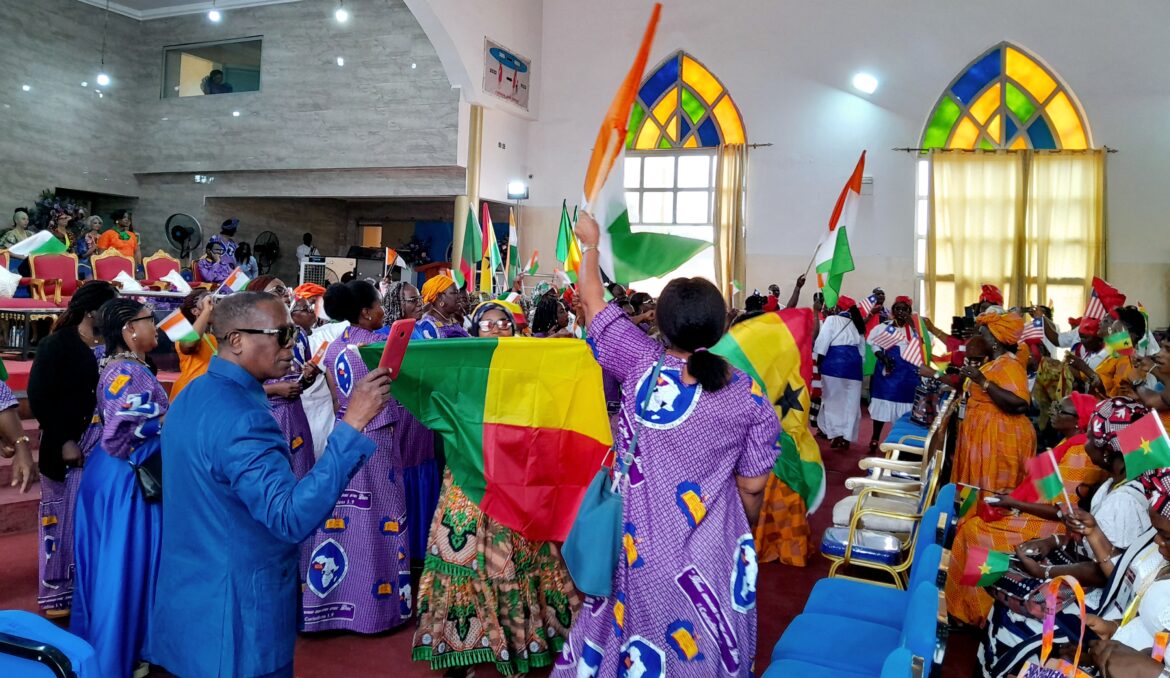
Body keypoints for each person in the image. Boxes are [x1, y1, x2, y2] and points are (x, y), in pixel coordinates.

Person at [551, 212, 780, 677]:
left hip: (639, 548)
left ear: (660, 321)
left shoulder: (638, 364)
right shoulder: (749, 394)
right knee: (707, 649)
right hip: (716, 555)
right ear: (722, 326)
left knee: (628, 640)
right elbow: (753, 487)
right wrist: (743, 524)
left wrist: (591, 245)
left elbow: (593, 304)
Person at [151, 292, 391, 678]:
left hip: (189, 605)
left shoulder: (191, 392)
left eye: (294, 333)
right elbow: (289, 517)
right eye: (280, 335)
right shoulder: (245, 418)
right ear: (236, 340)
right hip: (239, 620)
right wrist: (352, 425)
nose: (292, 346)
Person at [412, 301, 582, 676]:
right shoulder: (459, 371)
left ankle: (520, 642)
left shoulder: (529, 370)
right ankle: (459, 646)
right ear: (474, 332)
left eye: (504, 323)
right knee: (460, 558)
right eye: (487, 324)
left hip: (515, 482)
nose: (496, 329)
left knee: (517, 558)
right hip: (467, 480)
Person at [980, 397, 1154, 677]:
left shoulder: (1124, 502)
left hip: (1099, 601)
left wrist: (1046, 570)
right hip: (1082, 579)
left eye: (1089, 439)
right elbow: (1087, 537)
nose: (1084, 445)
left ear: (1108, 452)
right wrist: (1053, 542)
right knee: (1003, 572)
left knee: (1011, 608)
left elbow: (1105, 572)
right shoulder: (1113, 484)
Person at [306, 280, 412, 634]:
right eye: (380, 305)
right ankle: (378, 612)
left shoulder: (334, 346)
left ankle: (330, 608)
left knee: (345, 521)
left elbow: (338, 398)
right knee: (382, 521)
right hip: (377, 438)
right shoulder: (379, 346)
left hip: (344, 436)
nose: (384, 311)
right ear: (366, 313)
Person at [944, 393, 1104, 626]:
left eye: (1061, 410)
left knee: (975, 531)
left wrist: (1015, 504)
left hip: (1054, 526)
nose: (1053, 412)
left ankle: (975, 613)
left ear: (1079, 421)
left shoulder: (1080, 453)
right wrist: (1015, 501)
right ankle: (965, 608)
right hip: (1042, 514)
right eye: (1056, 406)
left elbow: (1061, 509)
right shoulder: (1068, 443)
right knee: (974, 521)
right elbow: (1044, 492)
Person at [71, 298, 166, 678]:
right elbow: (117, 434)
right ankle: (120, 655)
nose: (155, 329)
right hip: (128, 479)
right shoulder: (127, 372)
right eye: (149, 322)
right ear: (129, 330)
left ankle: (129, 647)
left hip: (114, 476)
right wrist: (172, 421)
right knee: (124, 568)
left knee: (121, 566)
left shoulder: (119, 365)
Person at [27, 282, 117, 616]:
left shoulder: (112, 345)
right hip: (67, 446)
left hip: (102, 447)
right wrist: (64, 439)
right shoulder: (58, 345)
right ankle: (57, 594)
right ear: (92, 311)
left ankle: (89, 590)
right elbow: (39, 397)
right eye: (109, 307)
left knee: (92, 521)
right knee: (60, 519)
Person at [381, 281, 438, 559]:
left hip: (422, 420)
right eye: (412, 300)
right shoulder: (382, 336)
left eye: (418, 300)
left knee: (422, 470)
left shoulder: (427, 330)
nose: (419, 305)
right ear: (395, 304)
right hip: (398, 416)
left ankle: (420, 545)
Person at [954, 314, 1036, 490]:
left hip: (998, 435)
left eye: (982, 334)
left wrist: (983, 382)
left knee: (992, 488)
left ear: (995, 340)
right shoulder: (992, 363)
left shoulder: (1010, 365)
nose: (978, 338)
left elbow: (1021, 404)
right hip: (983, 432)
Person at [865, 296, 923, 452]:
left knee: (905, 407)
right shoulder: (884, 327)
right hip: (888, 371)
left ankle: (898, 439)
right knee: (883, 403)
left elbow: (924, 347)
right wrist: (882, 357)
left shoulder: (915, 329)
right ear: (892, 310)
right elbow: (874, 344)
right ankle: (875, 437)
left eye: (904, 309)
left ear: (910, 312)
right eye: (897, 308)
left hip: (908, 374)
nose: (900, 312)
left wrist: (914, 326)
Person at [815, 295, 866, 448]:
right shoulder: (858, 323)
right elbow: (862, 351)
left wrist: (818, 364)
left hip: (834, 364)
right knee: (851, 404)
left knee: (833, 402)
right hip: (854, 366)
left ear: (839, 308)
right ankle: (847, 437)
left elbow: (822, 343)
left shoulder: (832, 320)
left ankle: (836, 435)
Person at [168, 289, 217, 402]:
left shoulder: (213, 336)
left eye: (212, 302)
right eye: (207, 303)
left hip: (208, 395)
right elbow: (189, 345)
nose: (212, 306)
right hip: (190, 396)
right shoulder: (184, 333)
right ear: (195, 311)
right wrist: (206, 312)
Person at [416, 274, 470, 339]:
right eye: (455, 292)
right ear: (440, 297)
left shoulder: (453, 320)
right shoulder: (427, 327)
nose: (459, 296)